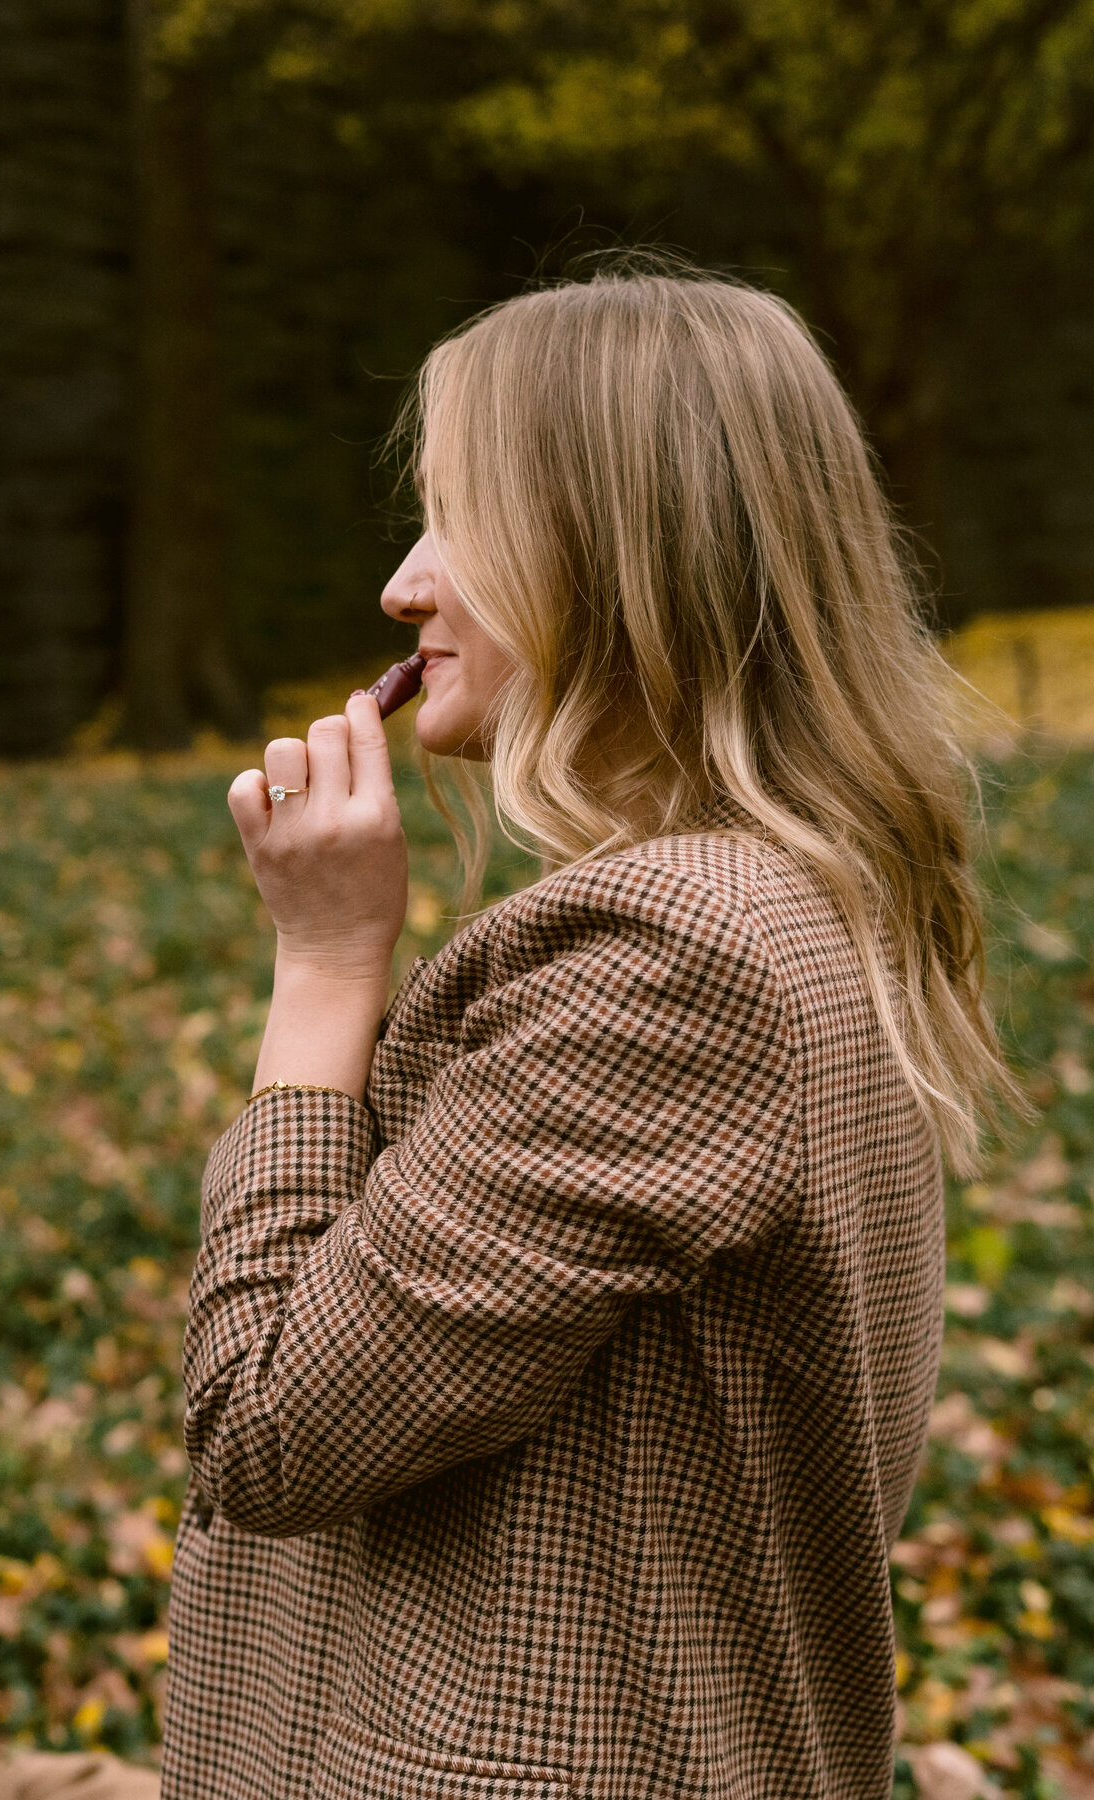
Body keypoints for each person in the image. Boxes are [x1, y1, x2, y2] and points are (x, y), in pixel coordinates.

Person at [161, 265, 1017, 1800]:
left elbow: (267, 1427)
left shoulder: (675, 951)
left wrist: (325, 962)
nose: (402, 586)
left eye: (454, 518)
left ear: (618, 549)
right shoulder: (782, 905)